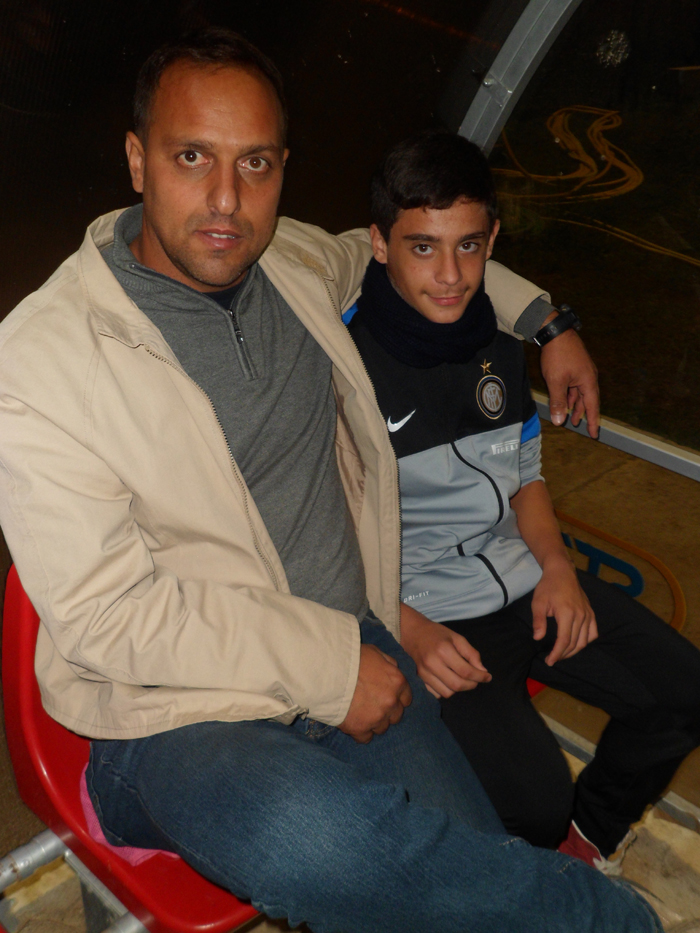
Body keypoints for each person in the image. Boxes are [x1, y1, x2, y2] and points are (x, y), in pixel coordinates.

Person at [0, 28, 662, 933]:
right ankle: (612, 920)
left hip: (358, 640)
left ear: (282, 169)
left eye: (256, 163)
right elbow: (110, 617)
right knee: (310, 842)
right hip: (181, 713)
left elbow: (418, 250)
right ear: (136, 161)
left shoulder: (294, 265)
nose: (227, 199)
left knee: (458, 889)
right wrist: (329, 666)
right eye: (192, 157)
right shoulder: (41, 359)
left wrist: (549, 323)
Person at [347, 130, 700, 870]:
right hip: (422, 610)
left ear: (493, 240)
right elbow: (316, 534)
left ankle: (588, 841)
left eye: (469, 246)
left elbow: (524, 475)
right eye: (422, 248)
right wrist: (406, 629)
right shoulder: (341, 363)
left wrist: (558, 566)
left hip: (521, 576)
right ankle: (524, 851)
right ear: (378, 244)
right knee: (534, 802)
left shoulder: (500, 339)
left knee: (684, 693)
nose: (450, 275)